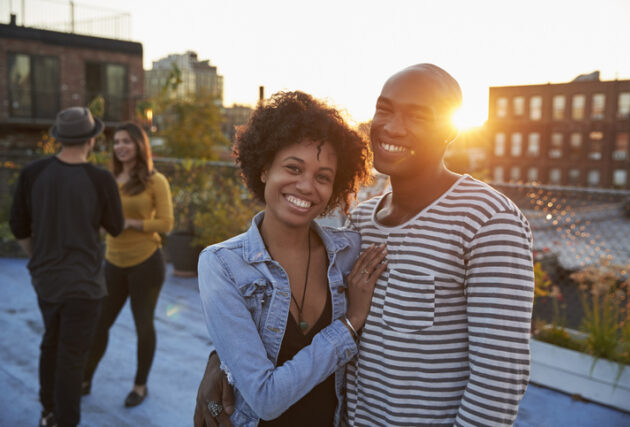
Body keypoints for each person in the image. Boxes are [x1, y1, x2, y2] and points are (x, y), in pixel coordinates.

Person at [195, 64, 535, 427]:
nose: (392, 127)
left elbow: (498, 382)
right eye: (384, 109)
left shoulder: (488, 220)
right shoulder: (361, 225)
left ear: (451, 129)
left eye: (417, 116)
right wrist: (223, 362)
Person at [197, 91, 388, 427]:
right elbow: (265, 399)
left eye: (323, 177)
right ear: (264, 169)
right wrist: (349, 322)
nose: (306, 186)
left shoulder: (349, 254)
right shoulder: (222, 264)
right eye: (293, 168)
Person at [10, 107, 124, 427]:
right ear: (91, 139)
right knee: (72, 356)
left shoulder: (32, 172)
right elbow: (115, 226)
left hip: (45, 278)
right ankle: (65, 421)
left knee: (51, 341)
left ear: (58, 138)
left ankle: (48, 411)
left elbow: (18, 226)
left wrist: (39, 256)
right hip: (85, 282)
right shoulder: (100, 178)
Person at [83, 122, 174, 407]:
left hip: (146, 263)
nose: (120, 146)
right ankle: (84, 379)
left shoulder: (154, 180)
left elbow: (167, 223)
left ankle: (140, 385)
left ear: (139, 145)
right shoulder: (107, 178)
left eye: (126, 141)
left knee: (143, 326)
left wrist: (132, 223)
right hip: (113, 262)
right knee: (99, 324)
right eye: (117, 142)